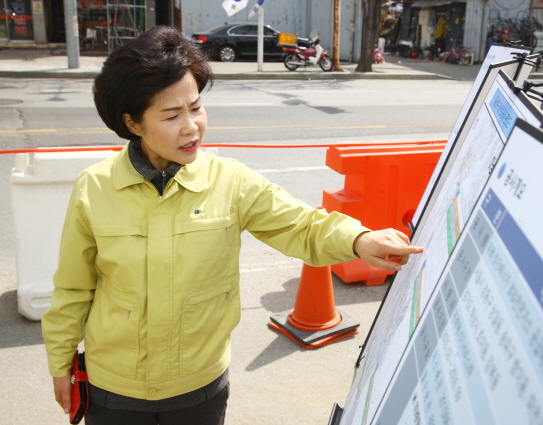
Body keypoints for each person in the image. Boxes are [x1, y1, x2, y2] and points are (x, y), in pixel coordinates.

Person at [41, 26, 423, 425]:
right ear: (132, 123)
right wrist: (59, 362)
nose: (191, 126)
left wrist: (360, 240)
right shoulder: (95, 187)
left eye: (196, 107)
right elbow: (73, 288)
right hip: (113, 390)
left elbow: (303, 226)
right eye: (172, 115)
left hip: (198, 389)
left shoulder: (232, 182)